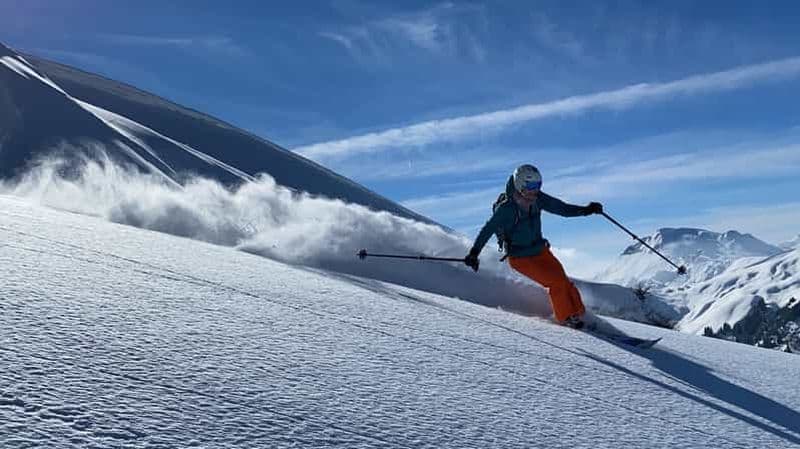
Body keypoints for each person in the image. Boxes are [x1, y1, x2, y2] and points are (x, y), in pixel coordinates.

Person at [464, 164, 603, 329]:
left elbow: (562, 209)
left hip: (540, 250)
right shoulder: (507, 209)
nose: (535, 190)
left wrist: (586, 210)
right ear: (520, 185)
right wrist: (474, 253)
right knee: (556, 283)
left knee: (564, 281)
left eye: (538, 186)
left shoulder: (538, 199)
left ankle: (580, 313)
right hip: (520, 257)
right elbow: (488, 230)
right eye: (531, 186)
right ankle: (566, 318)